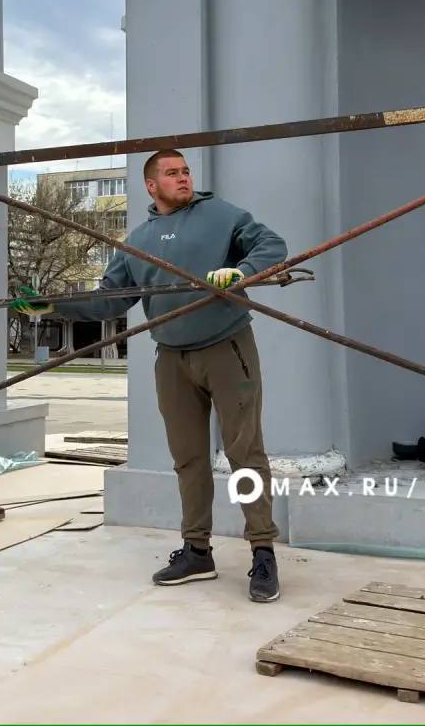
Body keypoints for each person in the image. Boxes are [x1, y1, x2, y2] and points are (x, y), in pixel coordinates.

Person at [16, 150, 287, 602]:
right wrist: (52, 305)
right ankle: (197, 550)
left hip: (226, 347)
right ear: (150, 185)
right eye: (172, 173)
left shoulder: (222, 215)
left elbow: (271, 247)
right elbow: (110, 301)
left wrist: (243, 272)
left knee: (246, 454)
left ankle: (262, 550)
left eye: (185, 171)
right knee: (188, 459)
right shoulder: (137, 241)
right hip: (172, 359)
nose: (183, 178)